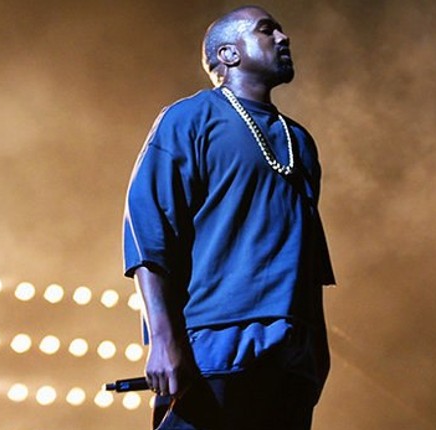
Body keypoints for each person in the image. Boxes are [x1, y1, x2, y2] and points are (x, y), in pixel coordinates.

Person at [123, 5, 336, 429]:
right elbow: (149, 237)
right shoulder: (189, 119)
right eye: (266, 30)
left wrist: (316, 351)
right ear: (229, 54)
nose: (283, 38)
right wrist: (163, 341)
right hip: (216, 345)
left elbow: (308, 258)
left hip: (292, 355)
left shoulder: (300, 142)